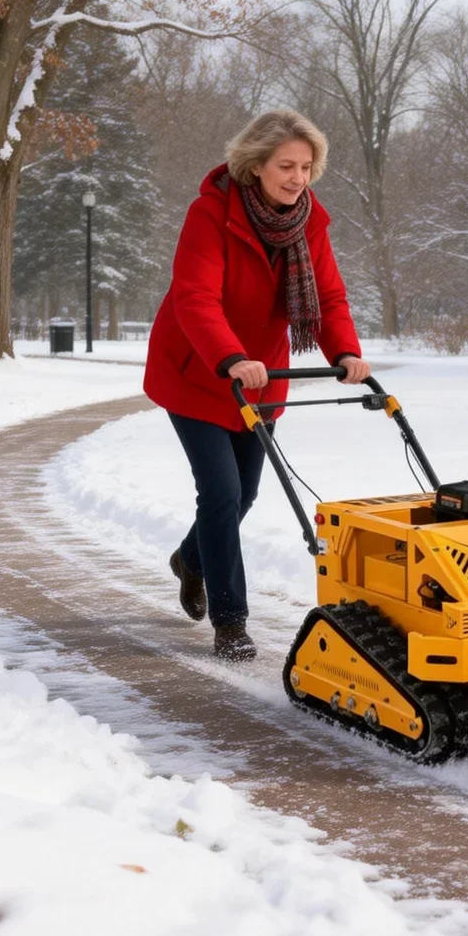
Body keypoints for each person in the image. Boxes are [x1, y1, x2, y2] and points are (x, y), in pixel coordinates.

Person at [143, 110, 371, 662]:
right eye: (285, 166)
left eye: (306, 167)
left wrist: (345, 352)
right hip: (200, 370)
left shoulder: (310, 223)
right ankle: (230, 620)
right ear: (256, 165)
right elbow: (195, 297)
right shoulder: (211, 214)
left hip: (262, 379)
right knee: (220, 494)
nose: (297, 177)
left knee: (244, 494)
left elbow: (330, 297)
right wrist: (230, 357)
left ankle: (191, 559)